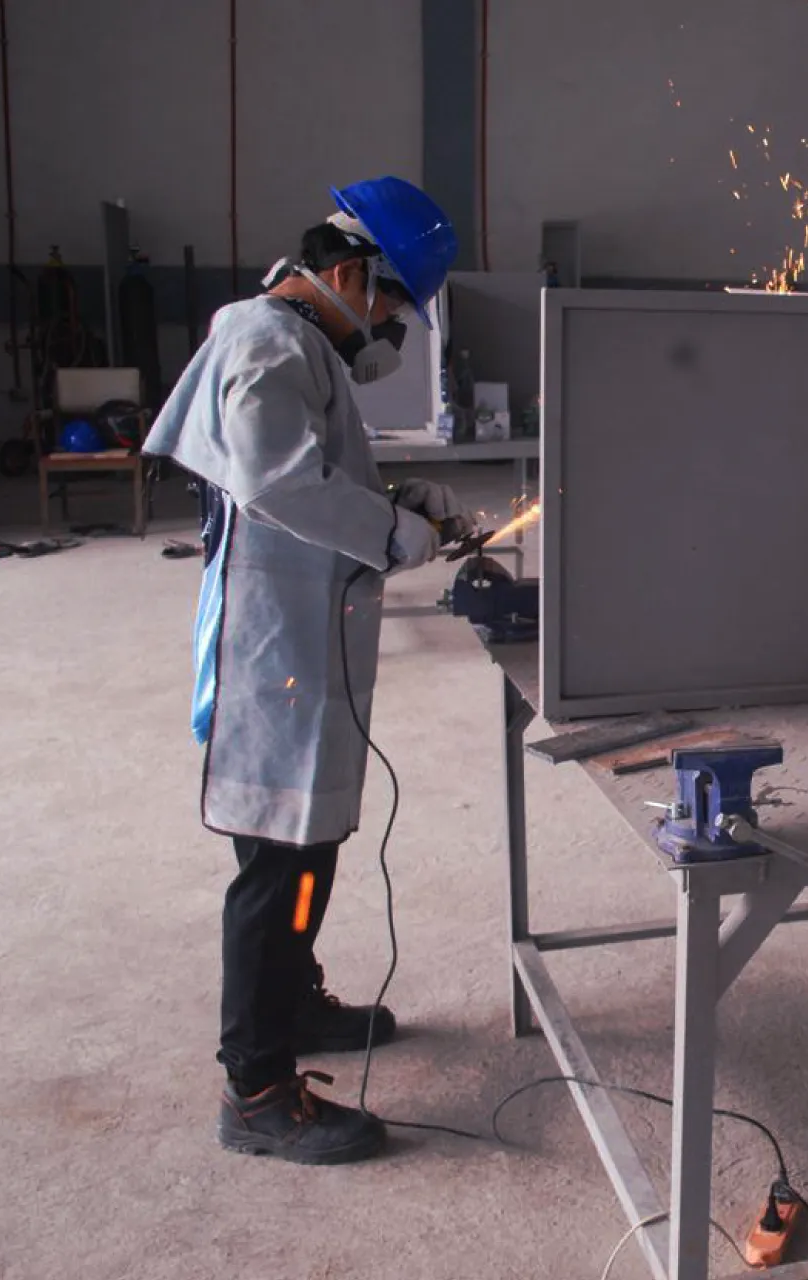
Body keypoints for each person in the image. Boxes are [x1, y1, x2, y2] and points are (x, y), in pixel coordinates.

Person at [144, 176, 470, 1165]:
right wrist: (391, 531)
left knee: (311, 842)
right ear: (344, 272)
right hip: (271, 652)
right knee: (278, 859)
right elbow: (281, 480)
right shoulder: (264, 341)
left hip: (304, 638)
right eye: (387, 305)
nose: (387, 330)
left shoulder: (295, 351)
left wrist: (399, 497)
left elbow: (315, 469)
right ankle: (256, 1087)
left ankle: (296, 999)